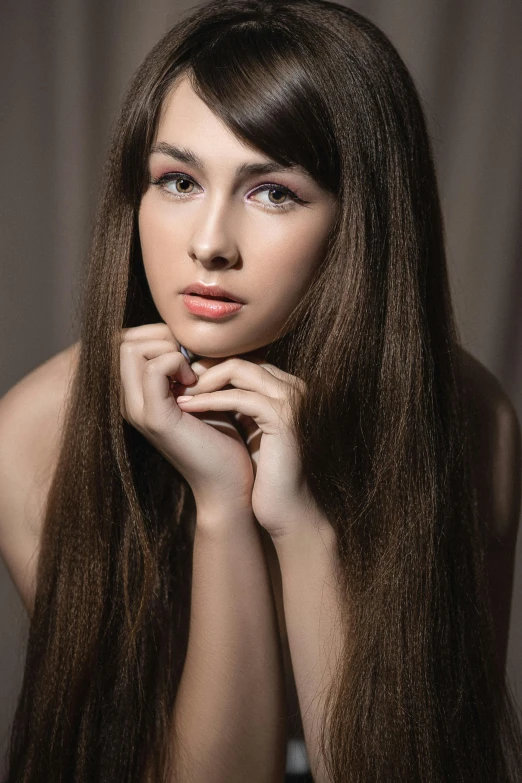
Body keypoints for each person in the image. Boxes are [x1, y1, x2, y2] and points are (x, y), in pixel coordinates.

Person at [0, 0, 521, 780]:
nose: (208, 243)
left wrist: (301, 526)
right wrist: (222, 507)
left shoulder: (468, 418)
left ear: (362, 222)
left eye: (272, 191)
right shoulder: (35, 435)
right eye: (176, 180)